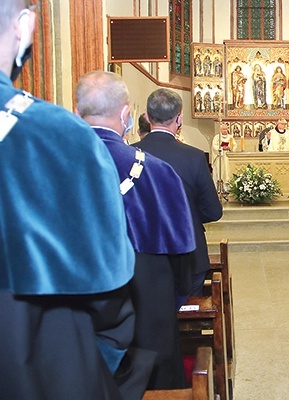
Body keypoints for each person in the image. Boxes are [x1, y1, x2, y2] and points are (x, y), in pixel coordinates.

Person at [0, 2, 147, 398]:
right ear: (26, 27)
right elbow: (107, 285)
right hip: (45, 359)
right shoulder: (60, 136)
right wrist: (96, 358)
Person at [75, 71, 197, 390]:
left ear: (76, 113)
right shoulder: (157, 172)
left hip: (71, 321)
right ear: (127, 114)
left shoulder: (45, 167)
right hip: (149, 305)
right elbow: (183, 251)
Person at [136, 88, 223, 305]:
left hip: (142, 257)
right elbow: (213, 211)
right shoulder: (193, 157)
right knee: (188, 305)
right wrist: (188, 215)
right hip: (189, 254)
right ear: (180, 118)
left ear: (147, 116)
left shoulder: (129, 153)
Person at [212, 123, 237, 187]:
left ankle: (227, 188)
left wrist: (229, 147)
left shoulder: (230, 137)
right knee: (220, 172)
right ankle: (219, 187)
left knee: (227, 172)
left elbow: (234, 145)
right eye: (223, 129)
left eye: (226, 129)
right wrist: (222, 148)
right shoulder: (217, 137)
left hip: (228, 156)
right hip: (220, 157)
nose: (225, 130)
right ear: (220, 130)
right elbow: (214, 146)